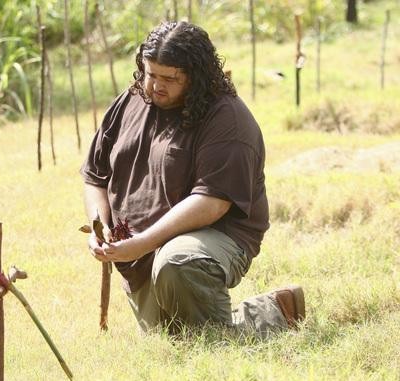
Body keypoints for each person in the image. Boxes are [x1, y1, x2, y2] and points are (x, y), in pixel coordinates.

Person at [80, 21, 304, 335]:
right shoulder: (131, 101)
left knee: (178, 265)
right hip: (140, 250)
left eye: (170, 78)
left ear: (196, 76)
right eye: (150, 73)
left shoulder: (227, 118)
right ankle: (277, 312)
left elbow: (211, 203)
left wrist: (144, 243)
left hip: (213, 235)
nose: (156, 85)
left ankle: (230, 337)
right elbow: (95, 176)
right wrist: (99, 227)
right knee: (176, 339)